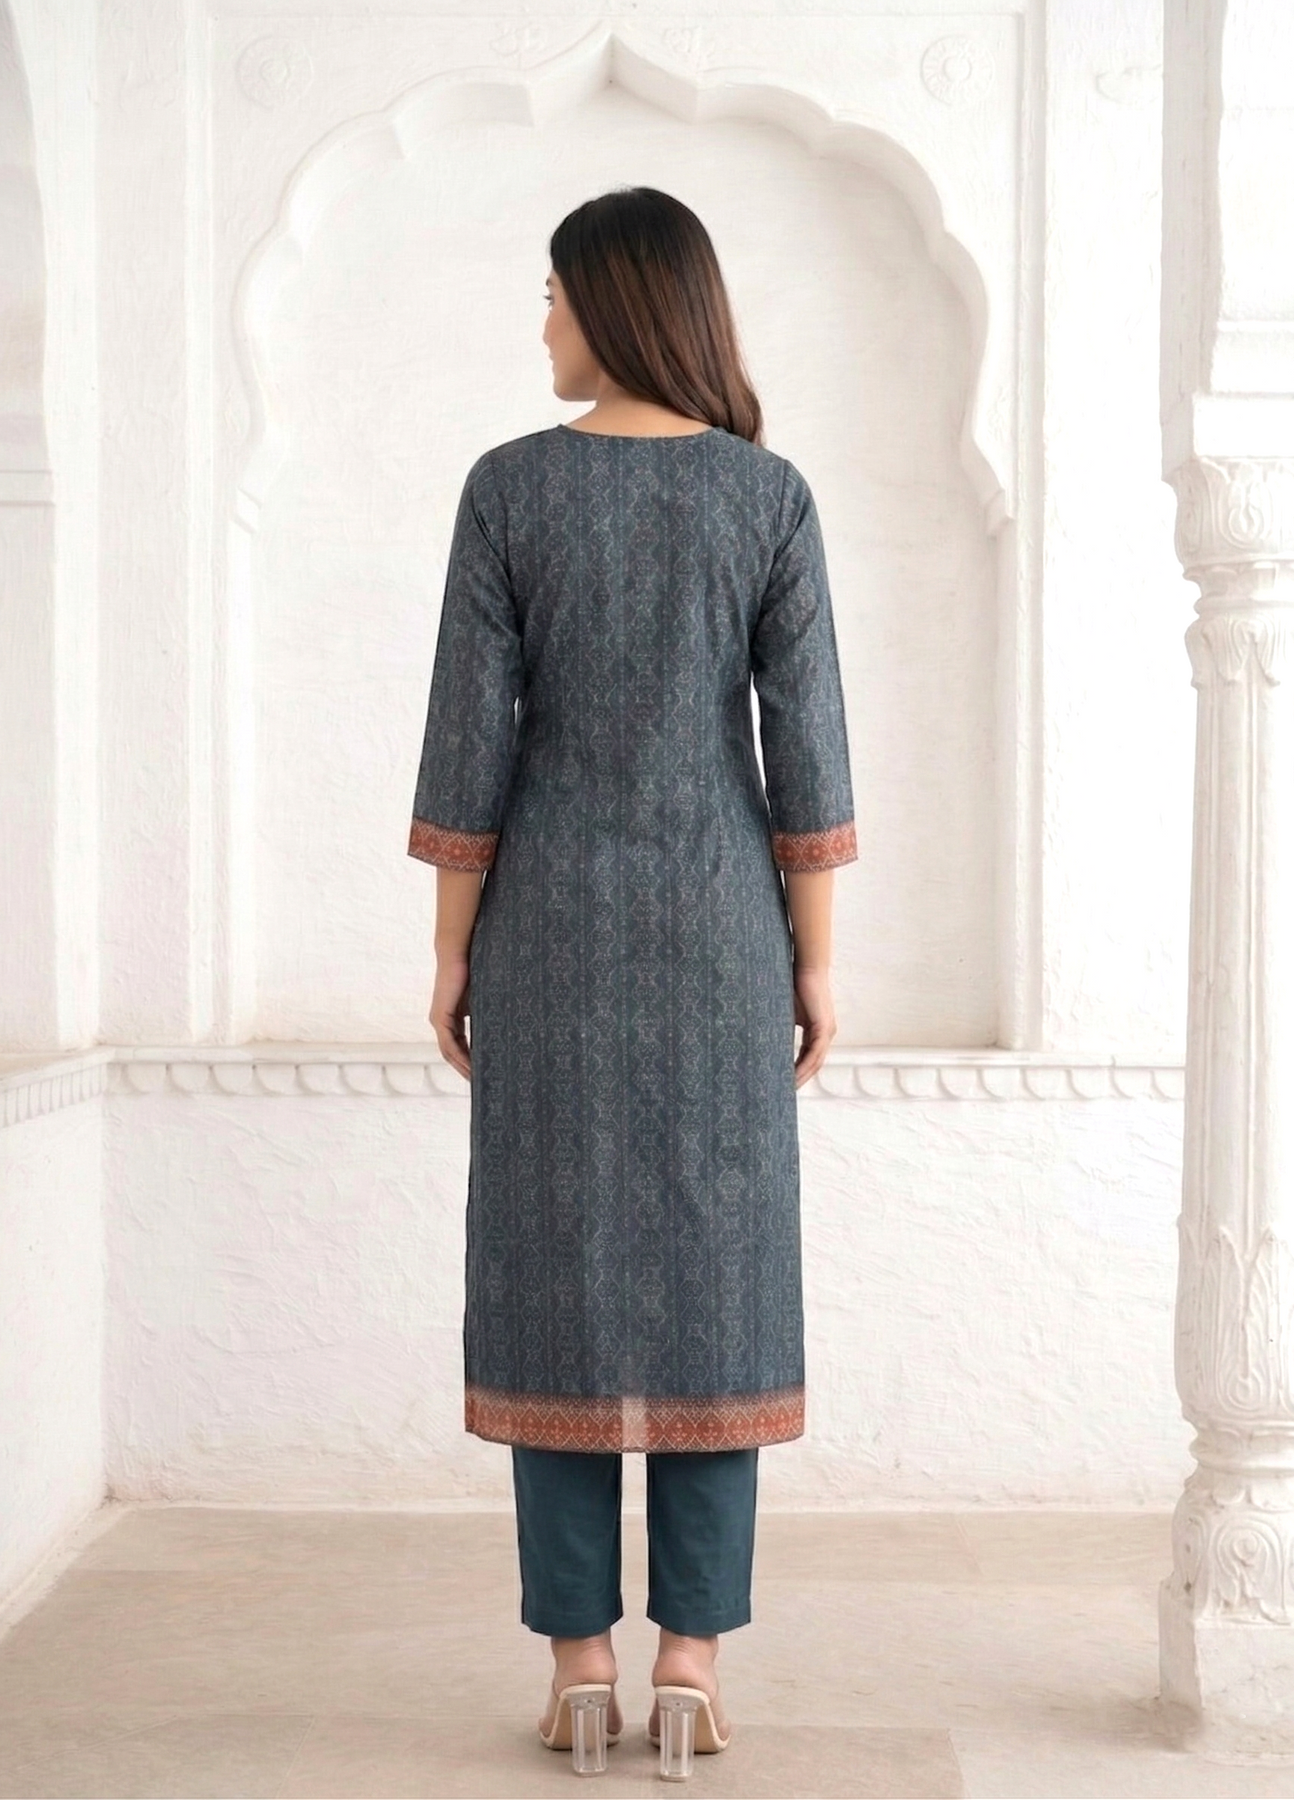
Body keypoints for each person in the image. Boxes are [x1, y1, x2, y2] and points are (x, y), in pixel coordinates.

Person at [407, 186, 857, 1778]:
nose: (540, 322)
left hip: (545, 934)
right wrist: (813, 961)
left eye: (551, 293)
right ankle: (692, 1671)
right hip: (723, 935)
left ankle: (578, 1672)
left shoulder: (509, 490)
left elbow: (469, 739)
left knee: (553, 1278)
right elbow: (807, 749)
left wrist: (451, 947)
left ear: (613, 301)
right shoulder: (766, 497)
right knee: (716, 1287)